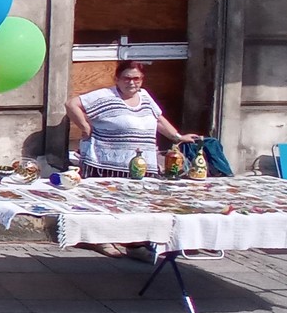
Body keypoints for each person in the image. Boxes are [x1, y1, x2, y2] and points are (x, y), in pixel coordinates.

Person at [64, 60, 199, 260]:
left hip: (141, 165)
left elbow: (158, 119)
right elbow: (71, 104)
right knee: (106, 203)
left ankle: (135, 244)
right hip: (107, 163)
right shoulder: (105, 96)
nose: (132, 82)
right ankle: (101, 240)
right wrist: (84, 126)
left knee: (138, 204)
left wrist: (178, 137)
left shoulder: (145, 97)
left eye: (136, 78)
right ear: (117, 79)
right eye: (127, 78)